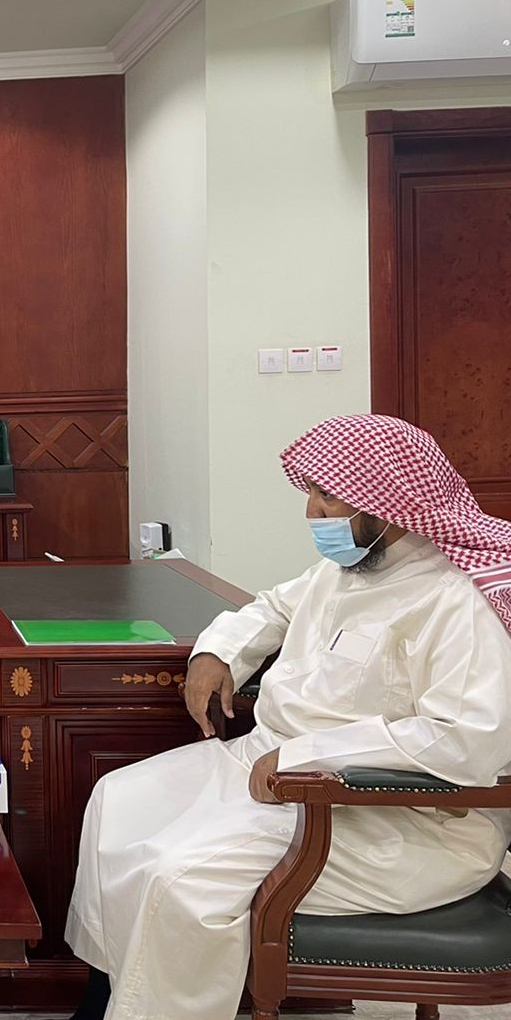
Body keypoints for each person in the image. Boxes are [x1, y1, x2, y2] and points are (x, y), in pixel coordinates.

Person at [64, 415, 511, 1020]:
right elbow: (273, 607)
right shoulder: (355, 567)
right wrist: (216, 653)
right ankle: (110, 995)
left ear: (389, 505)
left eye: (328, 497)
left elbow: (466, 740)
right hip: (274, 773)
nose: (311, 512)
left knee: (181, 879)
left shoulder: (458, 600)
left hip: (389, 817)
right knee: (117, 800)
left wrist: (305, 757)